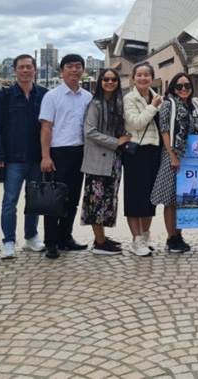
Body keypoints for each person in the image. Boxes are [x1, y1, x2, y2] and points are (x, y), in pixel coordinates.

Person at [0, 54, 47, 259]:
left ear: (35, 70)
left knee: (34, 201)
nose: (25, 70)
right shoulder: (3, 96)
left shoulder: (43, 94)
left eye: (28, 67)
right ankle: (8, 240)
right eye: (21, 67)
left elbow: (48, 127)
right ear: (15, 71)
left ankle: (31, 236)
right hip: (13, 157)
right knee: (9, 201)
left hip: (36, 157)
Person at [39, 54, 93, 259]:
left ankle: (65, 237)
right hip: (57, 153)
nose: (74, 70)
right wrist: (45, 156)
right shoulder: (52, 97)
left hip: (79, 152)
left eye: (78, 66)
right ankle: (51, 242)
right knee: (54, 199)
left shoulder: (87, 97)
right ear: (62, 71)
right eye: (70, 66)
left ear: (83, 70)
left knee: (72, 199)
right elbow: (46, 127)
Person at [82, 68, 131, 255]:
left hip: (114, 160)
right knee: (96, 200)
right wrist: (116, 142)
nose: (109, 82)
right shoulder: (95, 104)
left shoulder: (118, 104)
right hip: (98, 159)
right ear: (100, 82)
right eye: (105, 79)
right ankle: (100, 243)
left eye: (113, 79)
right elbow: (90, 131)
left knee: (108, 200)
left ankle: (100, 238)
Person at [152, 72, 198, 254]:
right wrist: (172, 155)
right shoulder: (168, 104)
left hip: (190, 157)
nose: (183, 89)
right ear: (172, 88)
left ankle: (179, 235)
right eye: (179, 86)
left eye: (187, 86)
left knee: (182, 199)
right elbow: (164, 130)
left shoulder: (194, 105)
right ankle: (171, 237)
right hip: (173, 156)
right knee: (171, 199)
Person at [121, 62, 163, 257]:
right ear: (133, 78)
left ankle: (145, 236)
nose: (143, 78)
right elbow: (136, 123)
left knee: (149, 198)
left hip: (154, 151)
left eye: (147, 75)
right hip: (136, 152)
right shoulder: (129, 99)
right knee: (134, 197)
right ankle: (136, 239)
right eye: (139, 75)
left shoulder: (157, 97)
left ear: (152, 77)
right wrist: (153, 108)